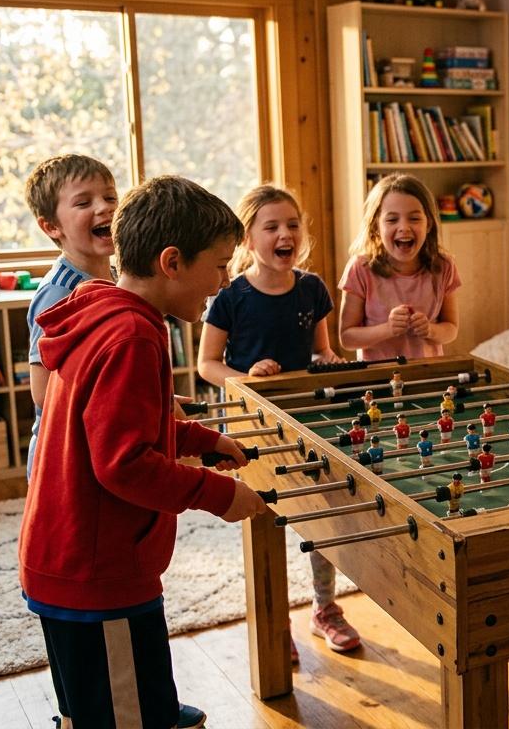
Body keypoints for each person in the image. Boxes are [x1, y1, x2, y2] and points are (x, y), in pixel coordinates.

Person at [19, 175, 268, 729]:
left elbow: (120, 421)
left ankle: (144, 708)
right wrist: (219, 494)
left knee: (109, 697)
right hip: (96, 570)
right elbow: (123, 464)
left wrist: (204, 441)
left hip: (78, 559)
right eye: (220, 264)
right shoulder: (131, 336)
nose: (223, 282)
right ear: (172, 261)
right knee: (117, 711)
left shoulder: (106, 309)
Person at [196, 184, 361, 661]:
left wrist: (328, 360)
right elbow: (208, 364)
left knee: (324, 516)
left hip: (313, 420)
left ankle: (325, 609)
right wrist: (248, 377)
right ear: (248, 238)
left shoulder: (312, 288)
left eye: (292, 225)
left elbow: (321, 351)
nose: (284, 234)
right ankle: (274, 621)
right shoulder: (230, 296)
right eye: (271, 226)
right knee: (265, 519)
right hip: (256, 426)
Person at [24, 154, 118, 480]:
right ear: (51, 226)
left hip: (100, 440)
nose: (104, 207)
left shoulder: (119, 278)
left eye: (110, 196)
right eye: (83, 202)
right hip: (62, 452)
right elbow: (42, 390)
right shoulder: (58, 293)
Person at [338, 173, 461, 360]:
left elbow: (451, 329)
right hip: (377, 382)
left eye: (414, 218)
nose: (404, 227)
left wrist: (430, 330)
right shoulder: (360, 269)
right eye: (392, 220)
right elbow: (347, 338)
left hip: (428, 376)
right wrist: (387, 329)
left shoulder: (444, 267)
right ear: (375, 227)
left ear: (428, 224)